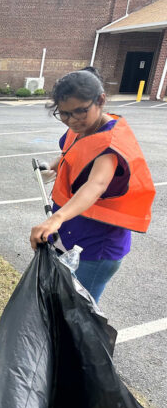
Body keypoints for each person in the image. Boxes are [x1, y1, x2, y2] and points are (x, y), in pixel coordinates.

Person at [30, 67, 155, 303]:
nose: (72, 120)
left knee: (79, 316)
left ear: (101, 100)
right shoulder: (83, 127)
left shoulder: (110, 143)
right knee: (52, 297)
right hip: (70, 231)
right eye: (64, 114)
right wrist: (54, 168)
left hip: (97, 245)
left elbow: (96, 184)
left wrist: (56, 219)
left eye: (80, 111)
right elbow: (73, 152)